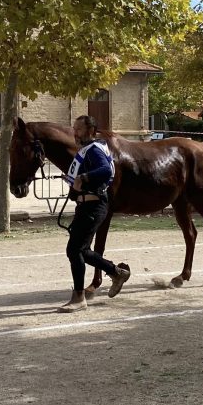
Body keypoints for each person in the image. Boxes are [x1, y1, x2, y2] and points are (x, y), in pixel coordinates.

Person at [59, 115, 130, 313]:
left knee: (75, 250)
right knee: (80, 250)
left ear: (90, 131)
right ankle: (116, 273)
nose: (75, 133)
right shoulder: (87, 151)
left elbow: (106, 171)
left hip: (94, 207)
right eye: (74, 129)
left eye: (79, 129)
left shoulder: (93, 150)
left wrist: (84, 177)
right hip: (86, 206)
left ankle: (79, 297)